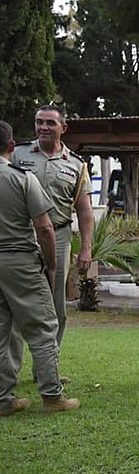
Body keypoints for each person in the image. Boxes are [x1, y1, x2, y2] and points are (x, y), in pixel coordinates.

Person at [0, 120, 80, 416]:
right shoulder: (21, 178)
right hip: (20, 259)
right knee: (44, 328)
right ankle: (52, 395)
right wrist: (51, 265)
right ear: (11, 147)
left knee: (1, 332)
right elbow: (45, 228)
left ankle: (4, 399)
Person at [9, 105, 94, 382]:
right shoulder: (17, 154)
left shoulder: (76, 164)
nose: (43, 128)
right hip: (20, 235)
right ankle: (8, 372)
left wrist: (86, 248)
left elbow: (84, 210)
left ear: (63, 128)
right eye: (39, 122)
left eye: (49, 123)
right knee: (11, 306)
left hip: (57, 236)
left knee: (55, 305)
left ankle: (47, 371)